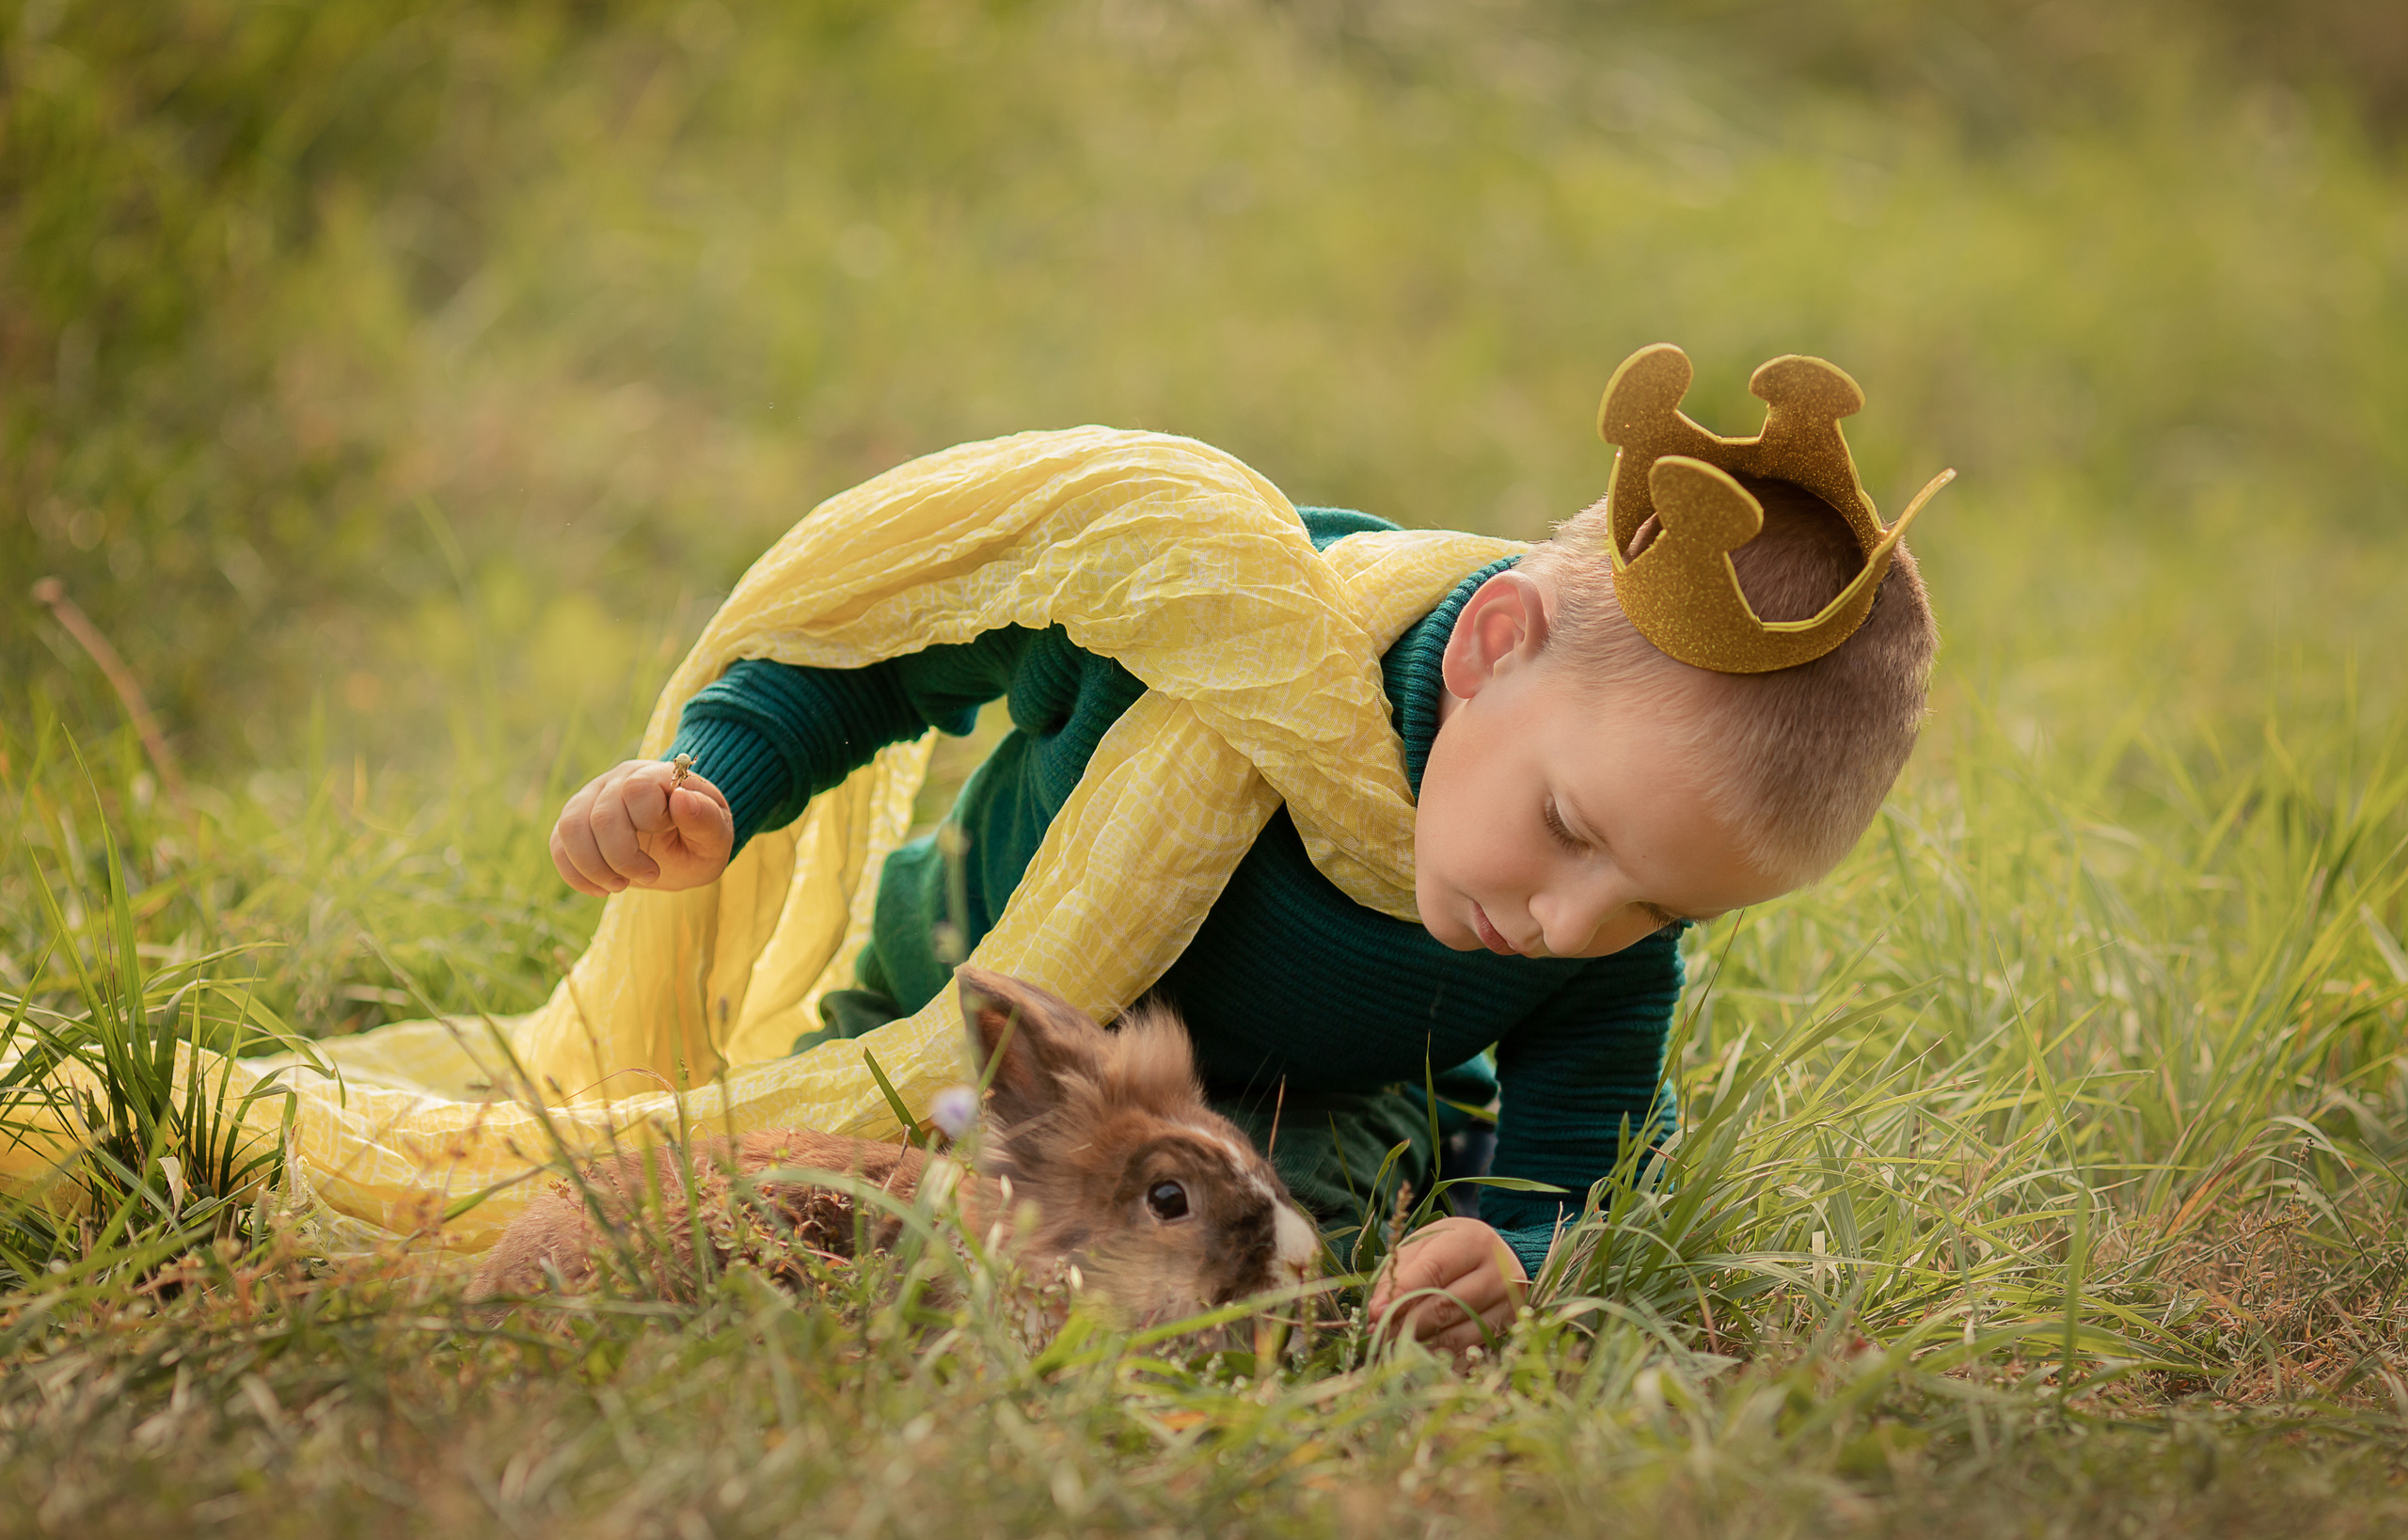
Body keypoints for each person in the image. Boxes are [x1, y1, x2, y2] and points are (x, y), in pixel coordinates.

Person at [542, 345, 1946, 1354]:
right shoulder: (1221, 622)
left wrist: (1514, 1248)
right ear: (1490, 648)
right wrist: (718, 780)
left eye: (1659, 910)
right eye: (1569, 831)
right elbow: (898, 642)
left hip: (1284, 1109)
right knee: (806, 1179)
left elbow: (1588, 1139)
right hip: (963, 999)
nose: (1571, 928)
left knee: (1277, 1252)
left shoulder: (1595, 939)